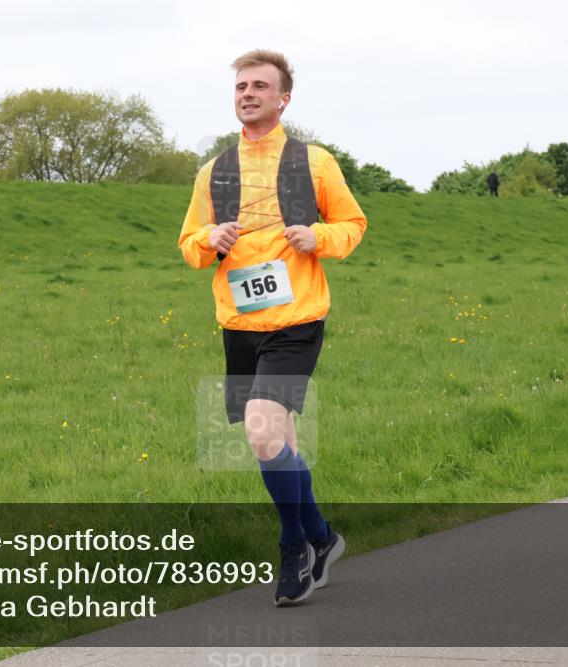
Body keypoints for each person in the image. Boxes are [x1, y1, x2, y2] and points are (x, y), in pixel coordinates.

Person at [178, 49, 367, 606]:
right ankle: (323, 537)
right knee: (275, 441)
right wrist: (208, 242)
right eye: (241, 86)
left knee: (261, 435)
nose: (248, 93)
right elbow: (188, 245)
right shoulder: (213, 172)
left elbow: (353, 223)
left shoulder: (314, 162)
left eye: (261, 85)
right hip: (239, 324)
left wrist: (321, 238)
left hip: (296, 321)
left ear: (284, 98)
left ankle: (293, 545)